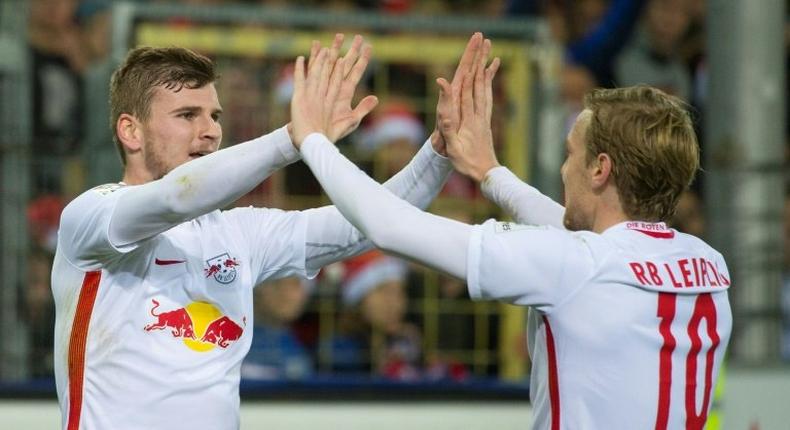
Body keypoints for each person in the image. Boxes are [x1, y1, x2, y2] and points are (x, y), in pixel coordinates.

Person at [290, 34, 732, 429]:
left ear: (600, 169)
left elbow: (389, 226)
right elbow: (580, 237)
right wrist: (489, 171)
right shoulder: (708, 264)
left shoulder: (576, 267)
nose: (563, 169)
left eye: (570, 154)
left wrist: (312, 140)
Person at [51, 33, 483, 430]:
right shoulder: (92, 218)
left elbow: (366, 225)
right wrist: (295, 138)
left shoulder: (238, 233)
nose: (210, 131)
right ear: (131, 131)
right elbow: (175, 198)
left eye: (214, 116)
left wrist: (439, 153)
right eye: (187, 115)